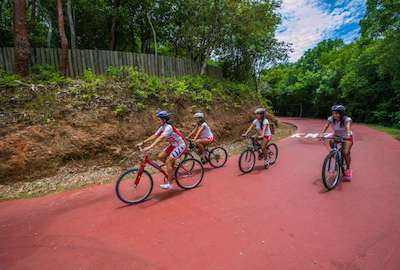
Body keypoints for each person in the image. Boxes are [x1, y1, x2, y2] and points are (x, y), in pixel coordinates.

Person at [137, 111, 187, 189]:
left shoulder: (168, 127)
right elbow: (155, 135)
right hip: (173, 145)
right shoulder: (162, 127)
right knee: (160, 156)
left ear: (164, 120)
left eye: (159, 119)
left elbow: (160, 138)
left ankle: (170, 184)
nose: (157, 121)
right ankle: (172, 169)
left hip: (180, 145)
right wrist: (143, 142)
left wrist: (150, 146)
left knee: (168, 161)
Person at [319, 105, 354, 179]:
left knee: (345, 152)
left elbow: (348, 127)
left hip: (346, 136)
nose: (334, 115)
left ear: (341, 114)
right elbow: (326, 126)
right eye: (333, 113)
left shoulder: (346, 119)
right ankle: (335, 153)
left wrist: (347, 134)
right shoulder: (331, 119)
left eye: (337, 113)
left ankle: (348, 168)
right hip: (336, 135)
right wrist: (321, 134)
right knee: (331, 141)